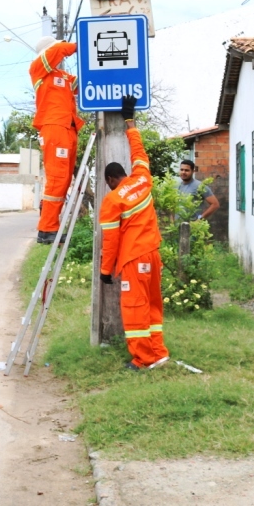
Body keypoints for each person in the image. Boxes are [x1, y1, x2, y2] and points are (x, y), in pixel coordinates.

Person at [99, 94, 170, 371]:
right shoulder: (142, 179)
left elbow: (111, 240)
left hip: (133, 261)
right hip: (152, 256)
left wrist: (106, 271)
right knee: (152, 306)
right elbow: (139, 152)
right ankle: (159, 351)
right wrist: (130, 119)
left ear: (109, 180)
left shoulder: (112, 201)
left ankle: (144, 359)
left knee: (135, 310)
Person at [29, 36, 85, 244]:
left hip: (69, 129)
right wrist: (80, 43)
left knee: (65, 180)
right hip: (54, 128)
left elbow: (85, 84)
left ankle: (49, 227)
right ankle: (47, 229)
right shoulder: (38, 70)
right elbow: (58, 50)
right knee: (57, 178)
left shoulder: (64, 77)